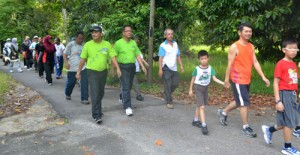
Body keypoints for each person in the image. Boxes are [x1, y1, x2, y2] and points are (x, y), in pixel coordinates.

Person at [217, 23, 270, 138]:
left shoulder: (251, 46)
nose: (248, 33)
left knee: (240, 100)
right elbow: (229, 64)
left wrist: (263, 76)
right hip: (237, 79)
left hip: (247, 79)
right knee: (244, 102)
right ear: (239, 32)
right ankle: (245, 127)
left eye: (250, 31)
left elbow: (255, 62)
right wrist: (226, 79)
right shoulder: (234, 47)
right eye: (246, 31)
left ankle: (224, 112)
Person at [261, 39, 300, 154]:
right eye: (290, 48)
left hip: (292, 95)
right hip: (284, 94)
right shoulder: (281, 64)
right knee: (289, 122)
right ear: (284, 50)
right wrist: (278, 101)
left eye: (295, 48)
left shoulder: (293, 64)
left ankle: (269, 129)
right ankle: (287, 147)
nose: (293, 50)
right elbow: (276, 83)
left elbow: (293, 81)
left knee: (289, 121)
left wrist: (296, 95)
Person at [76, 25, 121, 124]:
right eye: (92, 32)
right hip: (91, 71)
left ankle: (98, 109)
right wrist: (78, 72)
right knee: (95, 92)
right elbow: (83, 59)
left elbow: (113, 56)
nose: (94, 34)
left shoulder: (107, 44)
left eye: (96, 32)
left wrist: (117, 68)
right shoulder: (88, 45)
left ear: (101, 33)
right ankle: (96, 115)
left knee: (100, 92)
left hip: (103, 71)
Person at [114, 25, 147, 116]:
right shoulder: (118, 43)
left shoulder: (133, 43)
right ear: (123, 33)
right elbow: (114, 56)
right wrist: (116, 68)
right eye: (127, 31)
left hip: (132, 66)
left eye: (130, 31)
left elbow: (137, 55)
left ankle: (122, 97)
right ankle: (127, 107)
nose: (129, 32)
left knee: (128, 86)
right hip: (123, 66)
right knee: (125, 86)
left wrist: (142, 66)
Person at [189, 50, 224, 135]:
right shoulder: (197, 69)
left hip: (205, 88)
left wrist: (224, 83)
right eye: (202, 59)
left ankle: (195, 120)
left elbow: (214, 79)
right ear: (199, 60)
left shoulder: (210, 68)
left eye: (205, 58)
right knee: (202, 107)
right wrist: (190, 89)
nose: (204, 60)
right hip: (198, 87)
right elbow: (193, 79)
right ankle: (204, 125)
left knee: (199, 105)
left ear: (208, 58)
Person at [158, 28, 184, 109]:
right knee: (168, 84)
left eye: (171, 34)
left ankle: (166, 93)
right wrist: (160, 69)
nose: (170, 35)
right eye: (168, 34)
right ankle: (169, 101)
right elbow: (160, 58)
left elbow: (178, 55)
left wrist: (181, 66)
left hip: (174, 67)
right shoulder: (163, 45)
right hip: (166, 67)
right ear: (165, 35)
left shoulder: (175, 44)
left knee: (175, 83)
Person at [64, 31, 89, 104]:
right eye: (79, 38)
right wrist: (66, 63)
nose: (81, 40)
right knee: (71, 83)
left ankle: (84, 99)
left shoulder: (85, 46)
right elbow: (65, 54)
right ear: (75, 38)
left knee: (85, 83)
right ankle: (68, 93)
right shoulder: (71, 44)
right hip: (72, 67)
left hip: (83, 67)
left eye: (82, 38)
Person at [132, 35, 149, 101]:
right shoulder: (127, 47)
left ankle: (138, 95)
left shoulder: (137, 48)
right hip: (127, 68)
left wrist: (144, 63)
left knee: (134, 81)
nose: (136, 43)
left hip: (134, 68)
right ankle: (123, 95)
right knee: (127, 83)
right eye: (135, 41)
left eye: (137, 42)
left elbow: (140, 57)